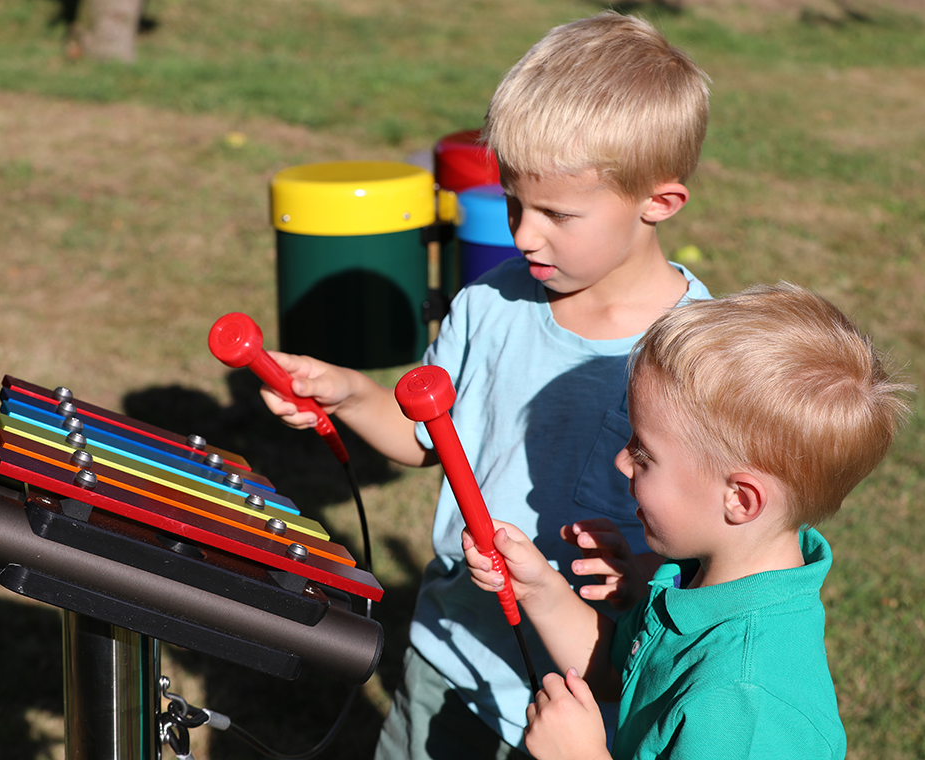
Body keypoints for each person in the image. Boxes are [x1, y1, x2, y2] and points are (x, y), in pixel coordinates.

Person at [259, 11, 712, 758]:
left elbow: (718, 539)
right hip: (449, 649)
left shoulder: (700, 352)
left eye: (557, 214)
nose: (522, 234)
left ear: (658, 204)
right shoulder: (490, 302)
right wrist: (350, 395)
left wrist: (644, 574)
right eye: (512, 203)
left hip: (590, 676)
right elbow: (425, 438)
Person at [463, 284, 913, 759]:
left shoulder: (744, 706)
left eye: (643, 453)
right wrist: (538, 588)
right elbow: (623, 669)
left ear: (739, 500)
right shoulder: (704, 579)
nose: (621, 461)